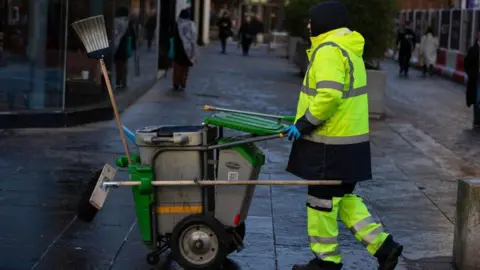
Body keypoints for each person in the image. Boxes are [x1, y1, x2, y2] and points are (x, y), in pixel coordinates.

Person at [284, 2, 403, 270]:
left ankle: (326, 261)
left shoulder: (328, 51)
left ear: (324, 22)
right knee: (344, 199)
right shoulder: (348, 49)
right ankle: (385, 247)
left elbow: (329, 96)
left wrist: (303, 124)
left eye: (312, 21)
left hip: (330, 145)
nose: (308, 26)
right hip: (349, 144)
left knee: (320, 202)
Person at [171, 8, 197, 91]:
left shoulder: (177, 24)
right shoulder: (191, 25)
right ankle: (183, 83)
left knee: (177, 68)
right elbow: (194, 38)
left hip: (178, 49)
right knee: (185, 69)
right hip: (188, 50)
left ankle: (176, 83)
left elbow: (173, 36)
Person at [113, 7, 137, 89]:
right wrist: (134, 46)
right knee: (123, 65)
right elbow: (133, 35)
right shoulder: (128, 23)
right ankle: (123, 81)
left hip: (117, 47)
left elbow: (114, 34)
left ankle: (118, 81)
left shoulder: (115, 22)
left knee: (118, 65)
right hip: (125, 47)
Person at [464, 32, 480, 128]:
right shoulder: (473, 50)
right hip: (477, 79)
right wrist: (472, 74)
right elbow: (467, 64)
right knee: (477, 100)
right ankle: (477, 120)